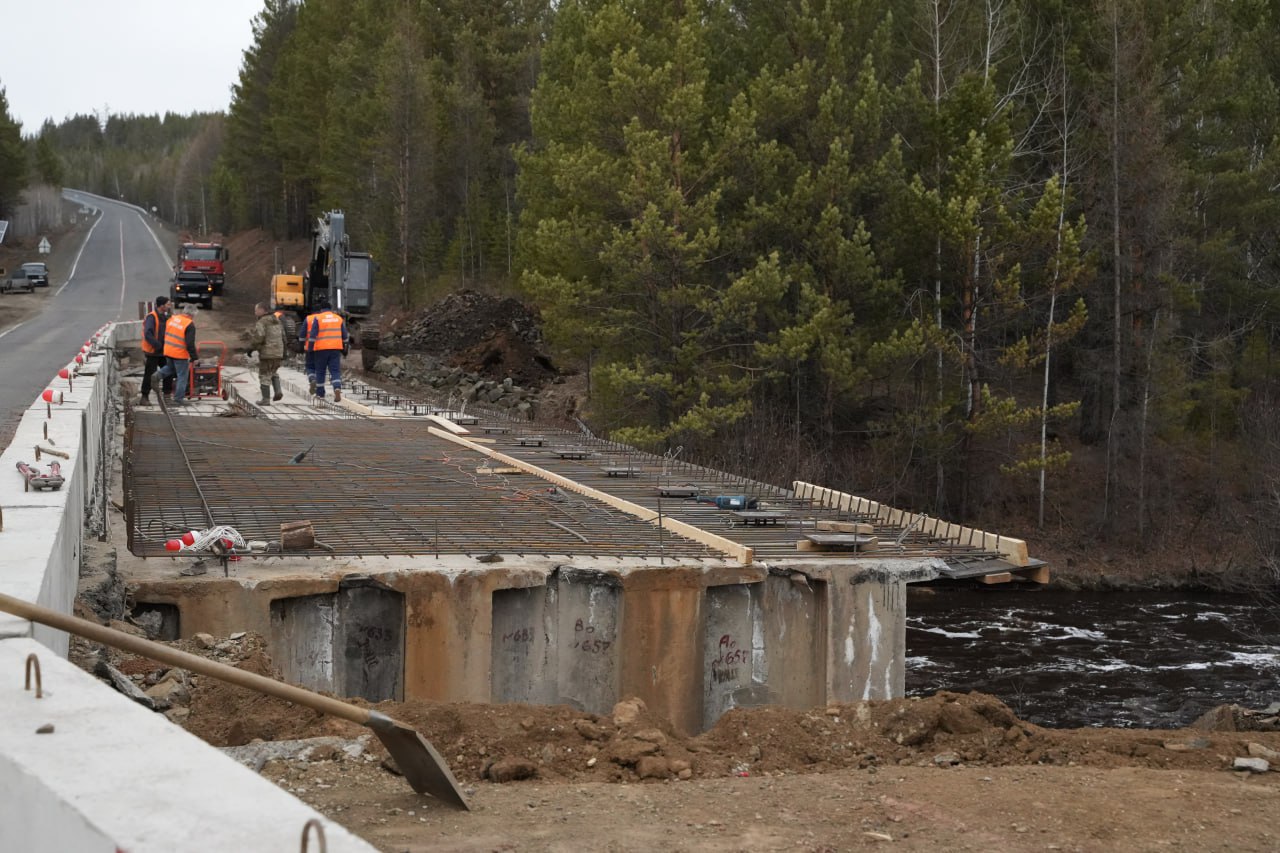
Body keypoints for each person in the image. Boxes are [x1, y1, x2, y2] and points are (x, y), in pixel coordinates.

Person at [307, 304, 350, 402]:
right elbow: (345, 336)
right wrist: (345, 348)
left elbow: (313, 336)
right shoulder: (338, 319)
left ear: (321, 309)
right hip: (335, 349)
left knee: (320, 371)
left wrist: (310, 349)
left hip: (321, 350)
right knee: (335, 371)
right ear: (331, 309)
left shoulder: (318, 318)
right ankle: (337, 388)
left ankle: (320, 394)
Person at [246, 302, 287, 405]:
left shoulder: (262, 322)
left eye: (256, 310)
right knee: (273, 371)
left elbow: (259, 336)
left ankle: (265, 399)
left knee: (264, 374)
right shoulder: (277, 321)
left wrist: (251, 348)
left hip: (267, 352)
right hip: (278, 352)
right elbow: (284, 337)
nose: (255, 312)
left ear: (262, 310)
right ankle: (278, 391)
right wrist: (284, 351)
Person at [157, 306, 198, 405]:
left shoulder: (172, 319)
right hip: (180, 354)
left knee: (171, 368)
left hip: (168, 350)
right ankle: (178, 399)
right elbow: (190, 343)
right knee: (182, 376)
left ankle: (157, 375)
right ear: (192, 315)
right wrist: (194, 357)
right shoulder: (189, 324)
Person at [139, 296, 173, 405]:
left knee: (168, 372)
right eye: (168, 304)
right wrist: (158, 345)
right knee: (149, 374)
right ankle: (144, 397)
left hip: (163, 351)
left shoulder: (165, 317)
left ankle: (167, 395)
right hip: (153, 351)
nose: (169, 306)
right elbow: (148, 334)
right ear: (162, 306)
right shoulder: (152, 317)